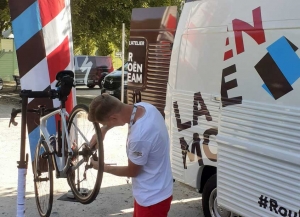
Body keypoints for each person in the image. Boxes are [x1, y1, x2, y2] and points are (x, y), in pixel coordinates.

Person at [88, 93, 173, 217]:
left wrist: (101, 167)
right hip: (156, 189)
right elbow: (119, 116)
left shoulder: (139, 137)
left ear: (113, 118)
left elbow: (132, 171)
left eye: (107, 122)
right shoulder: (144, 107)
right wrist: (104, 129)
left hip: (152, 199)